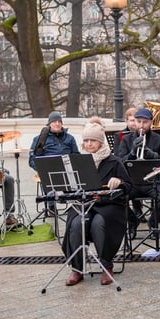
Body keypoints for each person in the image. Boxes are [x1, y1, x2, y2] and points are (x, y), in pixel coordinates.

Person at [63, 117, 132, 286]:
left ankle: (106, 265)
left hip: (108, 206)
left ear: (100, 142)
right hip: (84, 204)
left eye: (92, 141)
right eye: (86, 140)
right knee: (77, 223)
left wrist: (120, 182)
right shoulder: (78, 162)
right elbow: (69, 188)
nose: (88, 144)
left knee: (98, 223)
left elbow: (130, 187)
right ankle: (77, 268)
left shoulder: (114, 161)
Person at [114, 107, 160, 235]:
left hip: (153, 183)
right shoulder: (126, 139)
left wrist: (152, 155)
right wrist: (131, 154)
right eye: (139, 121)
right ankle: (132, 222)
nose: (141, 125)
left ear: (151, 122)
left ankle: (153, 223)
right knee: (114, 197)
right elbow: (119, 162)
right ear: (135, 122)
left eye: (145, 122)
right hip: (132, 183)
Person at [29, 111, 79, 217]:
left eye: (59, 121)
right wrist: (41, 168)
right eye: (54, 121)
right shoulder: (39, 139)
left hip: (66, 169)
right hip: (48, 171)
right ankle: (51, 206)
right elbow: (32, 160)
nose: (57, 124)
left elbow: (76, 156)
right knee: (46, 176)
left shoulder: (70, 138)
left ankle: (75, 204)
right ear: (49, 124)